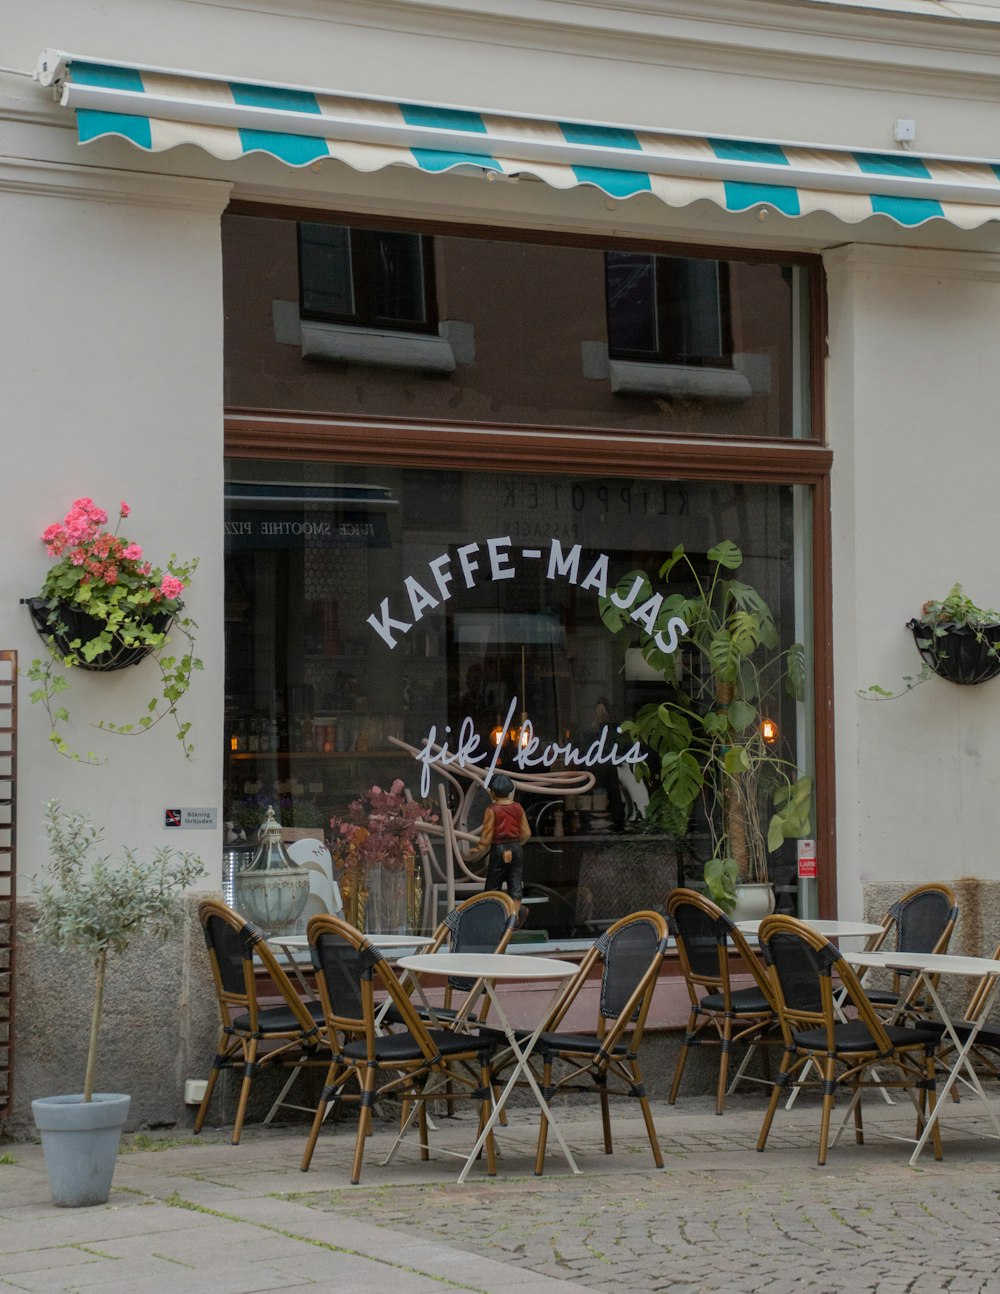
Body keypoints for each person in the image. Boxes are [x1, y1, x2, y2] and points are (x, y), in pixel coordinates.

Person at [468, 772, 531, 914]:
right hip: (516, 848)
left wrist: (479, 848)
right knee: (515, 883)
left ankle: (492, 915)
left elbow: (487, 834)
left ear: (492, 792)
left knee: (493, 885)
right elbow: (526, 833)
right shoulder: (518, 808)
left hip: (499, 848)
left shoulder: (492, 810)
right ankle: (514, 917)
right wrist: (516, 844)